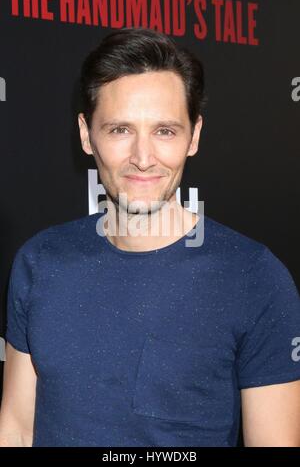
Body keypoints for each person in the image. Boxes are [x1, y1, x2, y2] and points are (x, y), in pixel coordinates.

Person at [0, 27, 300, 447]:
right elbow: (15, 429)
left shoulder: (255, 278)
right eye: (120, 130)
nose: (143, 159)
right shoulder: (40, 261)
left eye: (165, 131)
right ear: (87, 135)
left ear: (193, 136)